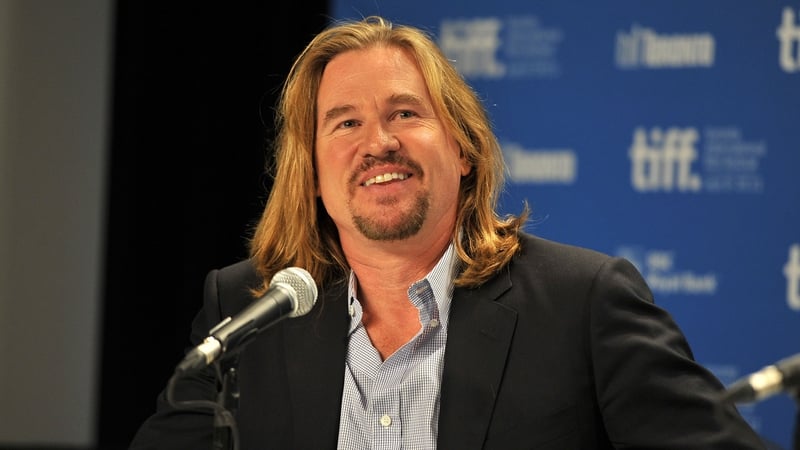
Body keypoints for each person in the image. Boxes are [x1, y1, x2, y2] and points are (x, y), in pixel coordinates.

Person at [130, 15, 768, 450]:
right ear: (315, 176)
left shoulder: (584, 303)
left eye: (405, 112)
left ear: (464, 148)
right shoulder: (245, 313)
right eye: (345, 124)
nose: (379, 143)